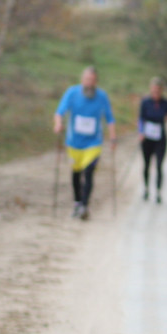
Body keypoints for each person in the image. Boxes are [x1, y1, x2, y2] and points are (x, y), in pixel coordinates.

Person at [53, 66, 116, 220]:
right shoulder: (72, 93)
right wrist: (58, 124)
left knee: (88, 172)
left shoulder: (102, 96)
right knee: (76, 173)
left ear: (96, 82)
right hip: (74, 143)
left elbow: (109, 118)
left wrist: (113, 138)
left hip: (93, 143)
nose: (90, 83)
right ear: (82, 80)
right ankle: (77, 203)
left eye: (93, 80)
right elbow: (59, 112)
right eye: (87, 80)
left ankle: (85, 206)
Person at [138, 77, 167, 203]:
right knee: (147, 164)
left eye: (158, 91)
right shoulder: (145, 102)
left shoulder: (166, 104)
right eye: (154, 90)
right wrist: (141, 132)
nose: (156, 93)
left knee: (160, 165)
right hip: (147, 137)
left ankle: (159, 192)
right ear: (151, 89)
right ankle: (146, 189)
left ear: (162, 91)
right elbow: (141, 118)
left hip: (160, 138)